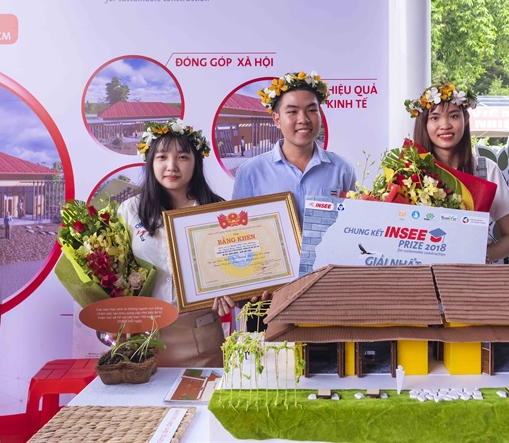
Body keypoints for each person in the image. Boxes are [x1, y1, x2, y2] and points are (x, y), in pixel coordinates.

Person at [214, 70, 357, 318]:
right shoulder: (251, 172)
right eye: (292, 112)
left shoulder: (341, 169)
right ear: (277, 119)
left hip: (327, 293)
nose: (304, 119)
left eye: (312, 110)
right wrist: (248, 283)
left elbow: (352, 230)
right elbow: (238, 236)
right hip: (269, 297)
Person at [119, 118, 226, 367]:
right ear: (150, 162)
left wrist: (229, 290)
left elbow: (231, 266)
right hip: (142, 338)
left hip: (201, 335)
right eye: (162, 157)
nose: (172, 166)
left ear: (196, 162)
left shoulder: (217, 210)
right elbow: (117, 269)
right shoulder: (130, 210)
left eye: (183, 157)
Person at [409, 82, 509, 263]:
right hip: (421, 273)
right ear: (424, 124)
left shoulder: (485, 170)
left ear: (466, 118)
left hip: (469, 276)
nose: (445, 125)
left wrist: (480, 257)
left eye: (454, 116)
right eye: (435, 118)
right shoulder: (409, 172)